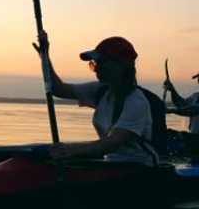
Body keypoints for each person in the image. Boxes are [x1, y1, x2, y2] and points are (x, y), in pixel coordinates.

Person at [35, 31, 158, 166]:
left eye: (101, 63)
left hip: (139, 169)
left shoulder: (136, 102)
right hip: (111, 166)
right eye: (94, 64)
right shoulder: (99, 90)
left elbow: (114, 142)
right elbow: (57, 89)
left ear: (121, 65)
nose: (96, 69)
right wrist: (44, 56)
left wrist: (71, 150)